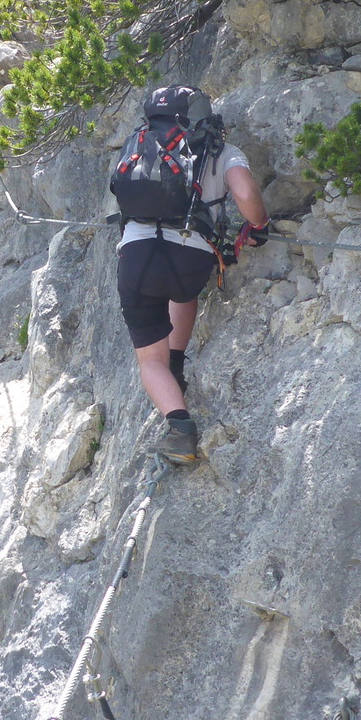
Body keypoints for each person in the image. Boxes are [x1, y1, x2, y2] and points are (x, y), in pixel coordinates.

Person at [111, 85, 270, 462]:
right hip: (191, 260)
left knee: (150, 360)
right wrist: (259, 225)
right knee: (183, 293)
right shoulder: (221, 150)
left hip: (136, 259)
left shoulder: (138, 145)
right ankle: (177, 361)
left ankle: (180, 430)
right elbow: (246, 195)